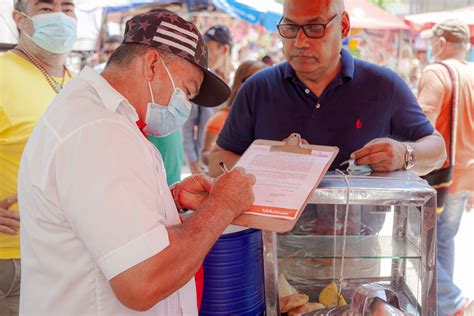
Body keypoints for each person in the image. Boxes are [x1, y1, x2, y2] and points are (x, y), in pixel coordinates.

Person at [17, 9, 255, 315]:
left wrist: (162, 201)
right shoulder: (99, 132)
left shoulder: (95, 117)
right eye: (186, 90)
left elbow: (94, 218)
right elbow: (143, 282)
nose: (183, 105)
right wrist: (222, 204)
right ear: (153, 65)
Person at [209, 0, 446, 178]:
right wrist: (268, 170)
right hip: (270, 237)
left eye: (314, 28)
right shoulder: (257, 88)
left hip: (358, 239)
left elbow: (437, 149)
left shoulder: (384, 86)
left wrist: (405, 154)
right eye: (290, 28)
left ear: (343, 27)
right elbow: (217, 159)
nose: (300, 42)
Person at [0, 0, 76, 313]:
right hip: (12, 261)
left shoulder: (79, 84)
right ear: (20, 19)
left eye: (67, 8)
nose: (60, 16)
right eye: (45, 9)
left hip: (69, 256)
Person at [418, 19, 474, 316]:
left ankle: (450, 300)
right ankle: (442, 305)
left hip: (439, 176)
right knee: (444, 241)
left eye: (431, 42)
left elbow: (421, 122)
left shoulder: (437, 72)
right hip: (466, 174)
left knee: (419, 242)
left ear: (441, 42)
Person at [181, 24, 234, 175]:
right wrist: (192, 160)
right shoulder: (203, 80)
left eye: (209, 48)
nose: (204, 54)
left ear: (224, 49)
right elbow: (188, 124)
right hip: (204, 162)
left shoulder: (239, 81)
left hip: (231, 163)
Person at [201, 60, 267, 166]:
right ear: (238, 83)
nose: (257, 84)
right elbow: (205, 155)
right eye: (250, 79)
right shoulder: (221, 117)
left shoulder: (270, 118)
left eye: (264, 79)